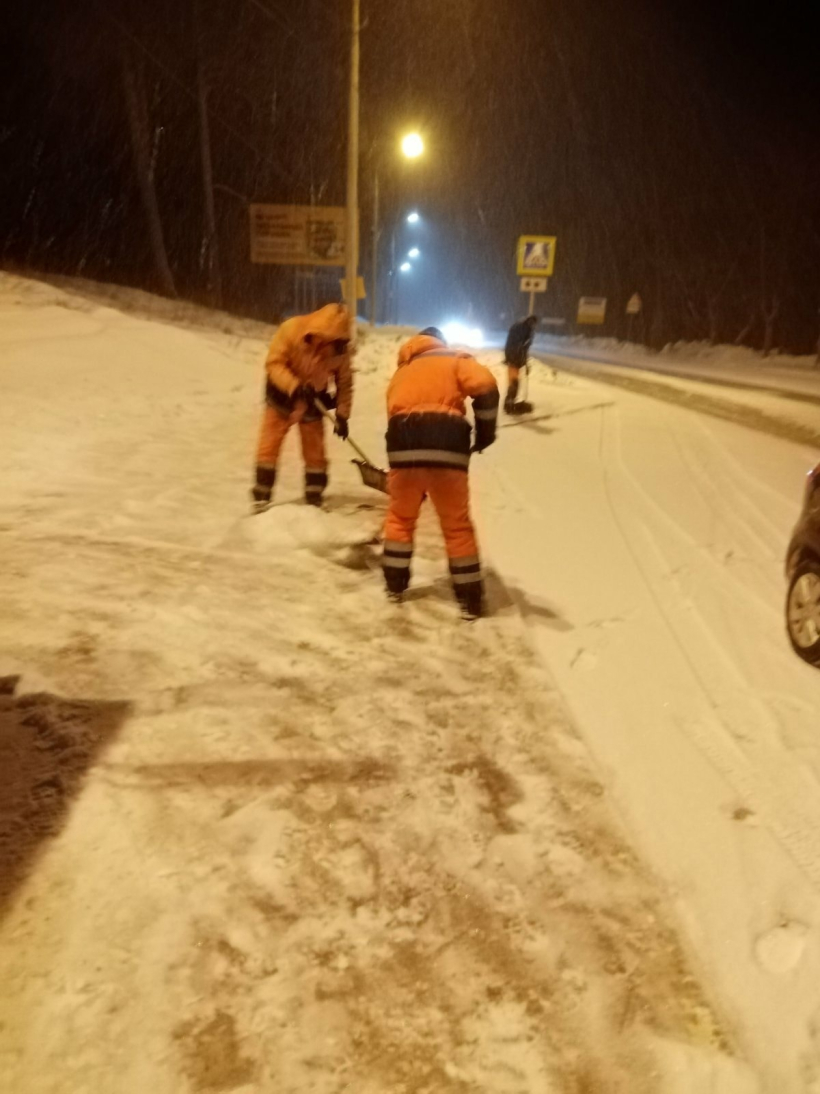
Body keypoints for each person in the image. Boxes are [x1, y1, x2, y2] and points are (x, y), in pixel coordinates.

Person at [382, 326, 499, 619]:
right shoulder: (452, 359)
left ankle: (394, 587)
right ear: (438, 342)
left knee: (400, 518)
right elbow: (486, 385)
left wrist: (412, 473)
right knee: (456, 525)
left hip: (403, 449)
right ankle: (470, 600)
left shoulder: (402, 372)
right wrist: (485, 432)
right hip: (448, 449)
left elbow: (394, 415)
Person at [252, 303, 352, 511]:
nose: (325, 350)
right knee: (269, 445)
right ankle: (261, 495)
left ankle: (314, 496)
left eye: (331, 344)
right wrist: (294, 386)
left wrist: (342, 415)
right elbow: (274, 363)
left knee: (315, 451)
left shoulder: (340, 352)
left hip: (314, 399)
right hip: (281, 395)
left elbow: (344, 383)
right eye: (323, 341)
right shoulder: (291, 330)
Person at [503, 314, 538, 414]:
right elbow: (521, 347)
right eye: (534, 325)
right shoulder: (524, 329)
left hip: (512, 356)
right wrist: (523, 363)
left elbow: (521, 347)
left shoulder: (520, 327)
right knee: (514, 382)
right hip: (514, 357)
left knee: (514, 382)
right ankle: (509, 405)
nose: (534, 327)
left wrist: (523, 362)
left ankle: (509, 403)